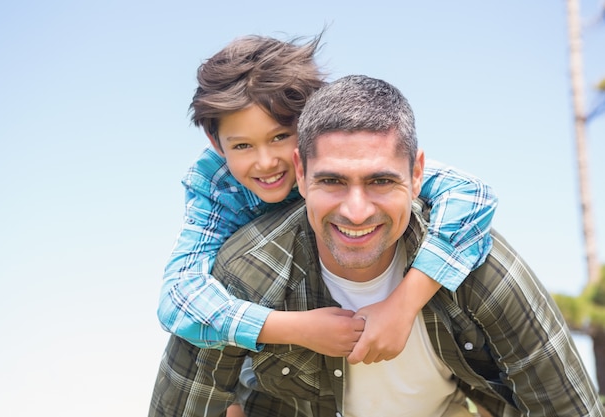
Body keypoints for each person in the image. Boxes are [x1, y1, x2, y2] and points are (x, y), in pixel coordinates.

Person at [149, 75, 603, 417]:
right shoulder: (244, 270)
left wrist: (403, 305)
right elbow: (181, 308)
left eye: (381, 180)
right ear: (302, 172)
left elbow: (567, 406)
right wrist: (289, 328)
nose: (358, 210)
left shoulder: (477, 261)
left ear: (417, 173)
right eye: (332, 180)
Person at [156, 33, 497, 367]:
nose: (265, 162)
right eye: (242, 146)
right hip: (273, 360)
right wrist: (294, 329)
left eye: (279, 137)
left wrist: (403, 305)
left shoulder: (349, 160)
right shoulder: (218, 185)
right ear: (217, 144)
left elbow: (471, 194)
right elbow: (178, 295)